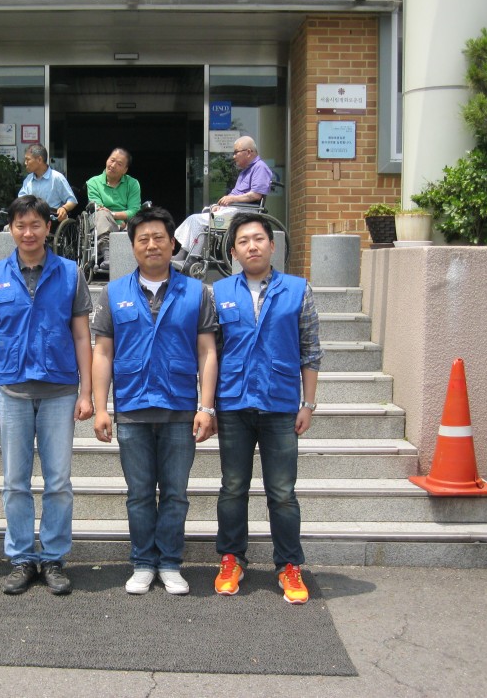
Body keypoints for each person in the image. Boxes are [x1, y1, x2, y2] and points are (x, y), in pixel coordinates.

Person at [91, 205, 218, 595]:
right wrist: (100, 407)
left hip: (180, 408)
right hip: (132, 408)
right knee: (140, 494)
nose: (151, 245)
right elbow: (103, 352)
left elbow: (207, 351)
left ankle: (170, 562)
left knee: (176, 494)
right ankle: (143, 562)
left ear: (173, 243)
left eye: (159, 237)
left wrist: (206, 406)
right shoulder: (114, 293)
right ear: (133, 246)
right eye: (143, 238)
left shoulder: (196, 292)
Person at [0, 194, 94, 595]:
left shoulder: (70, 273)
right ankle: (22, 557)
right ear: (10, 229)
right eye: (20, 225)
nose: (28, 233)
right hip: (11, 390)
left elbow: (82, 335)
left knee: (58, 481)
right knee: (15, 482)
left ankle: (54, 557)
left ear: (48, 228)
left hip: (60, 389)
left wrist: (87, 393)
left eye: (35, 225)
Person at [211, 212, 322, 604]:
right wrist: (208, 407)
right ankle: (231, 559)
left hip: (280, 404)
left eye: (259, 239)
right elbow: (211, 353)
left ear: (273, 246)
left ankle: (289, 565)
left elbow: (311, 350)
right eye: (243, 241)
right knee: (233, 487)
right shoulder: (219, 292)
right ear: (233, 251)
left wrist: (307, 403)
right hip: (233, 403)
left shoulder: (298, 290)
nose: (252, 246)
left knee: (282, 492)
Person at [173, 135, 274, 268]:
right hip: (235, 209)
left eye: (236, 152)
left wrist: (232, 199)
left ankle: (192, 258)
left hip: (245, 212)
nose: (233, 156)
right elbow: (235, 194)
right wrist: (220, 205)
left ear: (249, 152)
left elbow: (256, 195)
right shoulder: (244, 172)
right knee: (197, 218)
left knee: (198, 220)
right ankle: (184, 253)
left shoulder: (260, 168)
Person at [85, 147, 142, 270]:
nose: (113, 165)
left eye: (119, 164)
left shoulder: (133, 184)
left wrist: (115, 215)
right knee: (101, 213)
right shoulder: (93, 182)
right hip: (103, 221)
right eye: (112, 160)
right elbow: (98, 207)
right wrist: (118, 222)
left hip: (126, 224)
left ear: (125, 170)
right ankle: (107, 255)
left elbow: (134, 210)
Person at [18, 143, 77, 222]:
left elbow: (72, 201)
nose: (25, 163)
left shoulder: (56, 178)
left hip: (51, 221)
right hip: (31, 221)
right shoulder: (28, 179)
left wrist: (64, 208)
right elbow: (21, 201)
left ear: (39, 160)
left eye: (28, 159)